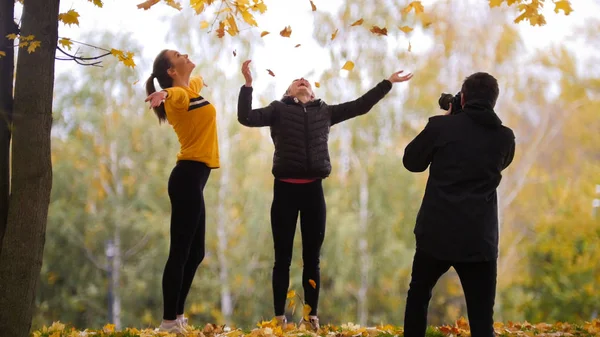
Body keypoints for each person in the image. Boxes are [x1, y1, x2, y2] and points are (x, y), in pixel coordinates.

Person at [237, 59, 413, 330]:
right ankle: (279, 318)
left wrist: (387, 83)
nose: (302, 81)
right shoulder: (278, 110)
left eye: (305, 81)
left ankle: (311, 318)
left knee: (312, 259)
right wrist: (248, 85)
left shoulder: (325, 112)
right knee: (281, 257)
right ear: (287, 93)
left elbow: (360, 105)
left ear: (314, 93)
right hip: (284, 190)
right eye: (296, 81)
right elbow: (246, 117)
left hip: (312, 191)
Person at [401, 72, 516, 337]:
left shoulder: (442, 128)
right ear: (493, 101)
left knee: (418, 297)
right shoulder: (505, 138)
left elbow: (411, 161)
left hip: (436, 233)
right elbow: (502, 163)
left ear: (462, 98)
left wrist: (445, 122)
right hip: (479, 239)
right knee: (481, 317)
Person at [144, 49, 219, 334]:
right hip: (187, 177)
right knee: (180, 251)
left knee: (196, 252)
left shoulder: (191, 89)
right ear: (171, 71)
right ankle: (167, 323)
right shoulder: (177, 98)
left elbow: (194, 82)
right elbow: (176, 95)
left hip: (195, 179)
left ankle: (177, 316)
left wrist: (196, 78)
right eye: (178, 55)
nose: (185, 54)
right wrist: (163, 93)